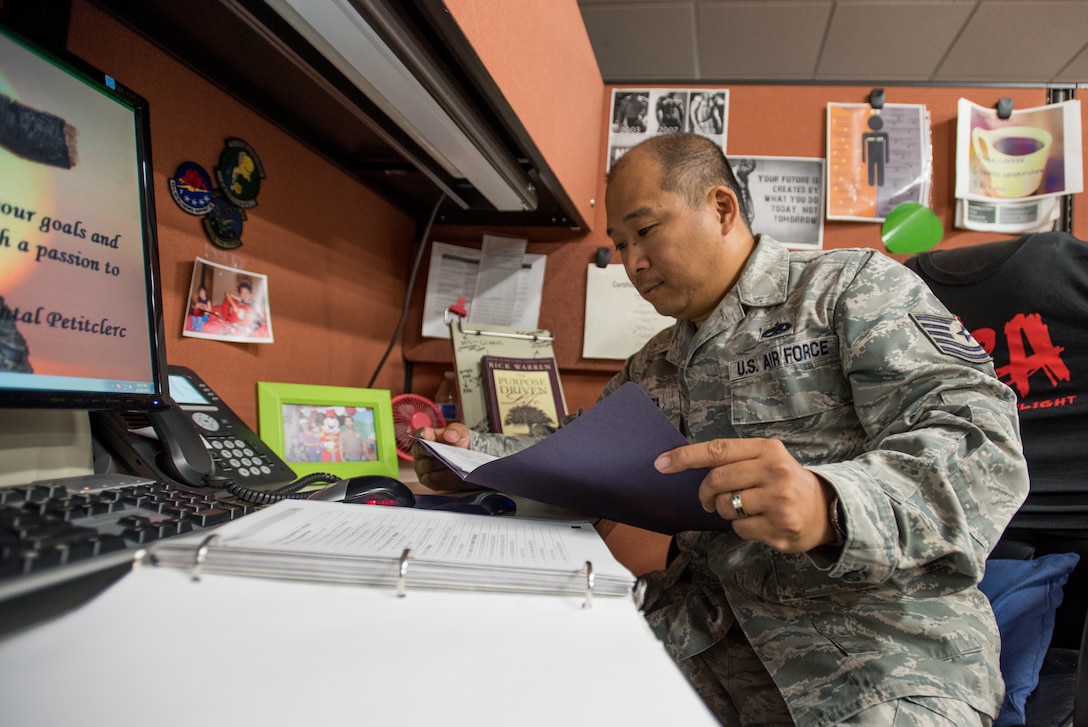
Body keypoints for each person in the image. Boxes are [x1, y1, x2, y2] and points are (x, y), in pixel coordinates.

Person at [413, 133, 1028, 726]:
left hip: (876, 653)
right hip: (700, 636)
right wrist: (474, 457)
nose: (632, 262)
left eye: (645, 231)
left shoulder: (849, 291)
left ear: (722, 207)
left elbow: (981, 443)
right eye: (621, 244)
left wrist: (831, 502)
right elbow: (575, 455)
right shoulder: (653, 364)